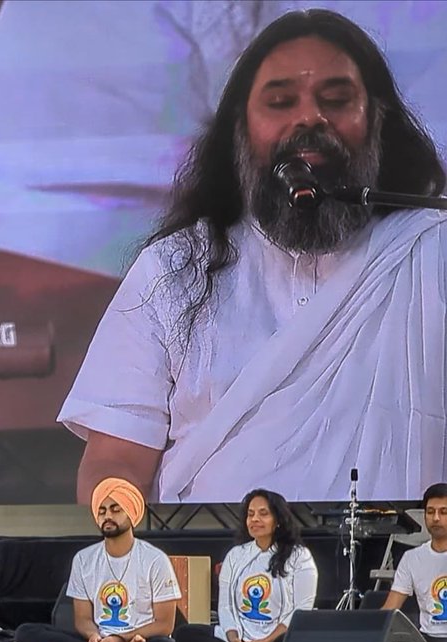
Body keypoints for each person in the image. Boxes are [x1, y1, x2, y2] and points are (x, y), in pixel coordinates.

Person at [59, 9, 447, 503]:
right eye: (281, 102)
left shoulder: (432, 257)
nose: (309, 119)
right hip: (215, 573)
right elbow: (116, 459)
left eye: (337, 100)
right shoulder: (175, 271)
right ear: (241, 129)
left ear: (377, 120)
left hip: (400, 573)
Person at [15, 478, 181, 642]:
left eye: (115, 509)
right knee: (25, 634)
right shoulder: (84, 559)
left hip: (140, 640)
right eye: (102, 511)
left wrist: (120, 639)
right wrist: (94, 637)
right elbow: (83, 619)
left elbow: (164, 625)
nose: (107, 516)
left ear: (131, 513)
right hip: (100, 641)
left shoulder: (155, 559)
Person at [174, 489, 317, 642]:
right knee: (185, 634)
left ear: (279, 520)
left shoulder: (299, 556)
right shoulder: (235, 555)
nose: (255, 519)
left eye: (263, 514)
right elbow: (225, 607)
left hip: (276, 641)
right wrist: (234, 639)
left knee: (301, 637)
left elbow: (301, 609)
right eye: (250, 514)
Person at [382, 483, 447, 642]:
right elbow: (390, 609)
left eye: (444, 512)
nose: (435, 518)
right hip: (427, 641)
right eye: (430, 511)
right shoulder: (412, 558)